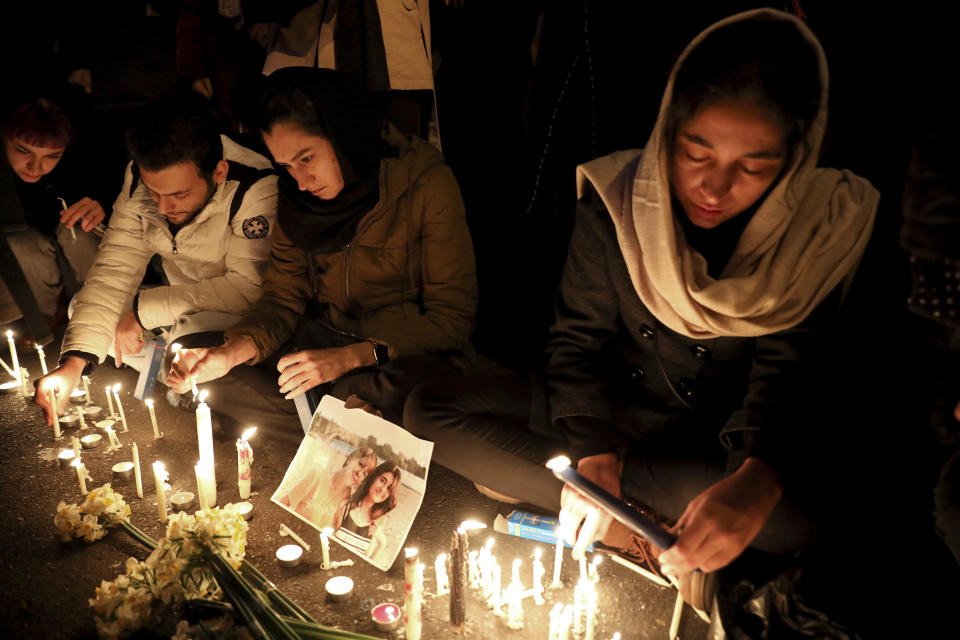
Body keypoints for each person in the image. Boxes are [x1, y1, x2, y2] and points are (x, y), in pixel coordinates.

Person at [403, 8, 878, 583]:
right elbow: (577, 341)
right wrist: (594, 453)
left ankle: (610, 508)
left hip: (708, 450)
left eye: (752, 167)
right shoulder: (619, 203)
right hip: (614, 414)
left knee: (811, 521)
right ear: (667, 132)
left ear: (797, 160)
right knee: (428, 410)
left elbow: (784, 379)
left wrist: (754, 480)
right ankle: (632, 525)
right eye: (696, 154)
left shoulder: (823, 230)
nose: (715, 187)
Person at [166, 68, 476, 438]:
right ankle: (346, 432)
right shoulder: (298, 197)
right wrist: (232, 352)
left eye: (307, 159)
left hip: (390, 357)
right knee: (196, 354)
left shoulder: (425, 184)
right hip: (319, 341)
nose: (300, 181)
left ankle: (319, 424)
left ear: (344, 136)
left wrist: (350, 358)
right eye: (286, 166)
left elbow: (452, 321)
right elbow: (283, 299)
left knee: (383, 390)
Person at [34, 95, 278, 423]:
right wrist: (73, 364)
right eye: (154, 192)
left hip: (230, 313)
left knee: (183, 340)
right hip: (175, 304)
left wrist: (141, 312)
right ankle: (175, 374)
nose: (162, 208)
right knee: (82, 308)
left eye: (179, 195)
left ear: (218, 172)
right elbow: (115, 268)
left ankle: (182, 373)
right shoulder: (141, 175)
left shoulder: (253, 185)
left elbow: (246, 290)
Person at [0, 98, 105, 343]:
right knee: (20, 244)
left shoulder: (84, 162)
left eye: (52, 155)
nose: (36, 166)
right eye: (23, 151)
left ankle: (102, 314)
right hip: (31, 275)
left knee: (82, 226)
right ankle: (43, 316)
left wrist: (99, 205)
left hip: (76, 265)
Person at [278, 446, 378, 527]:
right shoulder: (317, 475)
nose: (359, 473)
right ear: (350, 459)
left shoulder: (346, 498)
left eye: (365, 474)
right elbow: (282, 504)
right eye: (360, 464)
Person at [333, 459, 401, 558]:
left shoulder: (377, 524)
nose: (382, 489)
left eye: (389, 488)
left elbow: (366, 563)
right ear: (374, 478)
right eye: (382, 480)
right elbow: (327, 541)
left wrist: (382, 544)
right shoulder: (345, 507)